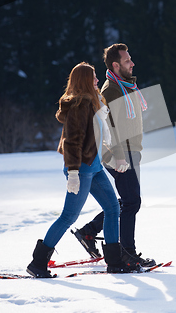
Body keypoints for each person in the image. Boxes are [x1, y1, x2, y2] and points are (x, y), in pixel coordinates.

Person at [26, 62, 138, 278]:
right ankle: (38, 262)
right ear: (85, 81)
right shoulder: (79, 106)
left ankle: (114, 261)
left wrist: (114, 158)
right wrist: (74, 173)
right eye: (94, 77)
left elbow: (95, 138)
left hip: (94, 166)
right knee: (69, 216)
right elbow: (72, 142)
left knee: (113, 208)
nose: (97, 81)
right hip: (81, 169)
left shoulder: (93, 103)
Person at [71, 44, 155, 267]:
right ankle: (127, 252)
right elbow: (110, 130)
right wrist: (120, 157)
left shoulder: (127, 86)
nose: (132, 63)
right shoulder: (111, 90)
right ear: (116, 65)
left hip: (131, 151)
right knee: (131, 202)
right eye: (128, 61)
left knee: (128, 201)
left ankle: (89, 232)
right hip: (121, 154)